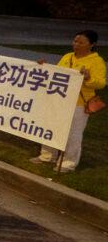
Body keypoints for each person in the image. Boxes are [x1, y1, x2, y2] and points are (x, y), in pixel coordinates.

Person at [33, 30, 104, 172]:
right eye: (75, 41)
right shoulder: (67, 57)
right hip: (60, 100)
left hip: (79, 103)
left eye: (81, 42)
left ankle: (68, 162)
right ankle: (47, 155)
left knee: (73, 134)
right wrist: (44, 68)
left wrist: (88, 78)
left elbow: (101, 83)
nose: (76, 44)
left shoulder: (96, 61)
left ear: (92, 45)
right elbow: (57, 74)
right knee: (51, 127)